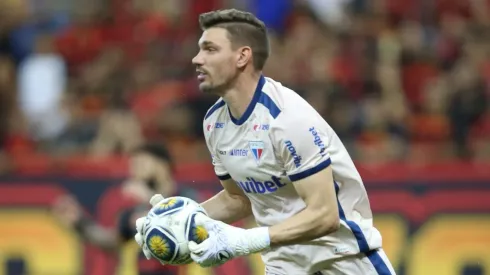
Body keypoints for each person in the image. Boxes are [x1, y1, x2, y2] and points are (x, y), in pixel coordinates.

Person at [135, 9, 396, 275]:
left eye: (210, 50)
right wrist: (178, 222)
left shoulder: (287, 118)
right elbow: (239, 198)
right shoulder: (214, 123)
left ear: (242, 56)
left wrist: (245, 241)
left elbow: (325, 215)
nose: (197, 59)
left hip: (343, 259)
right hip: (285, 264)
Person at [53, 143, 181, 275]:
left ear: (162, 166)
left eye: (141, 164)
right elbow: (113, 240)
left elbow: (180, 226)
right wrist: (80, 223)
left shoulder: (185, 197)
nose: (135, 172)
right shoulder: (130, 206)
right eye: (133, 165)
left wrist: (148, 197)